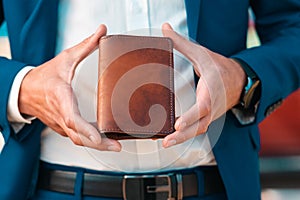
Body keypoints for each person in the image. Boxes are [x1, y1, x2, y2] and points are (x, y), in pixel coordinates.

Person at [0, 0, 299, 199]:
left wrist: (239, 78)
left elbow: (292, 25)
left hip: (214, 186)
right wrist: (24, 89)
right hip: (53, 187)